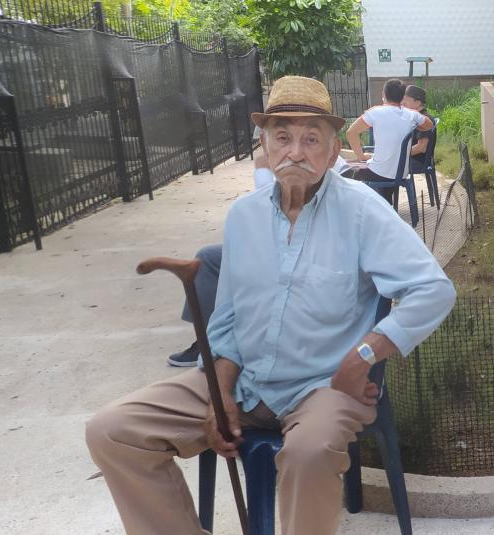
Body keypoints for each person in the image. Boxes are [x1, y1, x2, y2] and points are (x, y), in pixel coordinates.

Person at [87, 76, 456, 535]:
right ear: (264, 145)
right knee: (113, 431)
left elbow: (433, 290)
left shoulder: (362, 210)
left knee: (309, 453)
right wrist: (221, 392)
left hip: (322, 386)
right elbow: (227, 320)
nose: (295, 152)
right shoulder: (243, 216)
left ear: (333, 150)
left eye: (311, 139)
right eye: (282, 137)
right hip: (244, 382)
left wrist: (363, 356)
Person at [166, 133, 357, 366]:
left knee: (220, 260)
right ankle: (210, 344)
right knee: (210, 258)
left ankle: (217, 346)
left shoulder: (317, 167)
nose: (295, 151)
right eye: (281, 137)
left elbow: (277, 207)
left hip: (302, 242)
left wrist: (262, 170)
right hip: (279, 235)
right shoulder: (249, 201)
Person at [344, 78, 433, 203]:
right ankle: (385, 203)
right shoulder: (412, 114)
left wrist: (361, 156)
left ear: (383, 94)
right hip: (401, 173)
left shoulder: (375, 112)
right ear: (402, 97)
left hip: (378, 173)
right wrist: (414, 123)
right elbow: (429, 125)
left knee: (342, 169)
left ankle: (366, 207)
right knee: (377, 167)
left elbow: (351, 133)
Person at [401, 84, 434, 168]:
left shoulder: (424, 119)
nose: (402, 104)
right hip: (411, 158)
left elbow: (421, 147)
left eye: (405, 101)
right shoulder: (414, 117)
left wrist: (399, 155)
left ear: (417, 103)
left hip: (418, 161)